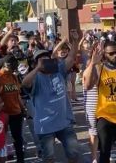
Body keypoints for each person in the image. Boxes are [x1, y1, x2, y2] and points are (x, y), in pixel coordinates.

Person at [22, 30, 81, 163]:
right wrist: (37, 68)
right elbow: (25, 83)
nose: (46, 60)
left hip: (64, 123)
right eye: (41, 59)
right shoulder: (35, 77)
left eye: (47, 57)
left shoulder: (59, 69)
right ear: (35, 63)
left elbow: (71, 58)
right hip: (45, 127)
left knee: (74, 153)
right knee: (49, 158)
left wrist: (75, 41)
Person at [0, 55, 24, 162]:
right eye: (8, 63)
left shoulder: (14, 77)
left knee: (18, 138)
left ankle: (20, 159)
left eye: (12, 64)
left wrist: (23, 108)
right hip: (2, 114)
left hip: (16, 112)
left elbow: (18, 95)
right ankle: (3, 155)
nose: (10, 66)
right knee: (0, 137)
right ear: (3, 64)